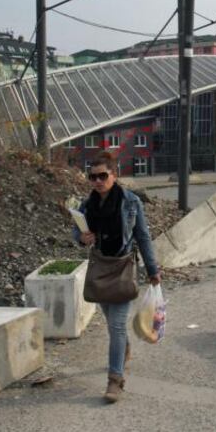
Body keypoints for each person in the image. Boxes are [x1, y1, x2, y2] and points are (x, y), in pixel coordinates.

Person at [72, 150, 159, 404]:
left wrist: (153, 270)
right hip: (100, 269)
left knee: (118, 325)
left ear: (114, 174)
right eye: (93, 177)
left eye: (102, 176)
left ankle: (115, 380)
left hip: (122, 268)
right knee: (113, 325)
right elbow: (75, 232)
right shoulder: (87, 205)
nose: (97, 181)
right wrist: (81, 237)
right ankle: (125, 348)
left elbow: (142, 236)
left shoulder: (131, 201)